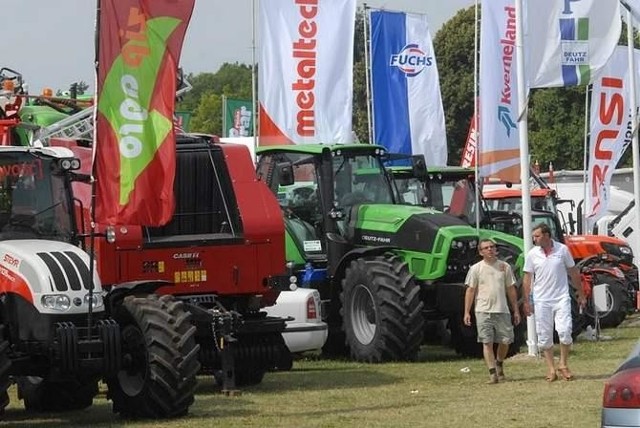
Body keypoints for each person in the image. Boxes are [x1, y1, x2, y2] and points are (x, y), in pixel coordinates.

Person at [522, 223, 587, 382]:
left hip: (561, 297)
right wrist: (526, 300)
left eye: (537, 236)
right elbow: (527, 278)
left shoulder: (562, 250)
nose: (534, 239)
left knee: (565, 331)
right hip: (541, 299)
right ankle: (551, 369)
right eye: (533, 236)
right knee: (544, 335)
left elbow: (573, 271)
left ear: (546, 235)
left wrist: (581, 294)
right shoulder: (532, 254)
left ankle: (563, 364)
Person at [464, 238, 521, 384]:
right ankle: (492, 373)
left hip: (502, 309)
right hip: (483, 310)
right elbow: (470, 290)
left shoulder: (504, 267)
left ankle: (499, 362)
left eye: (492, 247)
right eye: (486, 248)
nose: (490, 250)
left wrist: (515, 310)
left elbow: (511, 289)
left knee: (506, 340)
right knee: (486, 342)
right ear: (480, 252)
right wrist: (467, 312)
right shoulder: (476, 268)